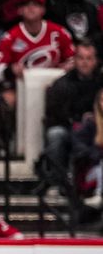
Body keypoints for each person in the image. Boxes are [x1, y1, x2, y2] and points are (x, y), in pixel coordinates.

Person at [41, 40, 100, 193]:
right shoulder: (62, 84)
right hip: (69, 127)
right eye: (81, 58)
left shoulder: (101, 83)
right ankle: (58, 182)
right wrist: (77, 120)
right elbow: (53, 114)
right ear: (74, 60)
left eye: (89, 58)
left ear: (96, 61)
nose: (85, 63)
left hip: (98, 129)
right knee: (55, 135)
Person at [0, 0, 75, 82]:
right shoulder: (10, 37)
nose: (31, 8)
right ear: (20, 10)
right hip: (24, 87)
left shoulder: (59, 32)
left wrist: (69, 67)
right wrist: (11, 71)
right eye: (26, 5)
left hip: (56, 85)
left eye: (36, 5)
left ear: (43, 10)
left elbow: (74, 59)